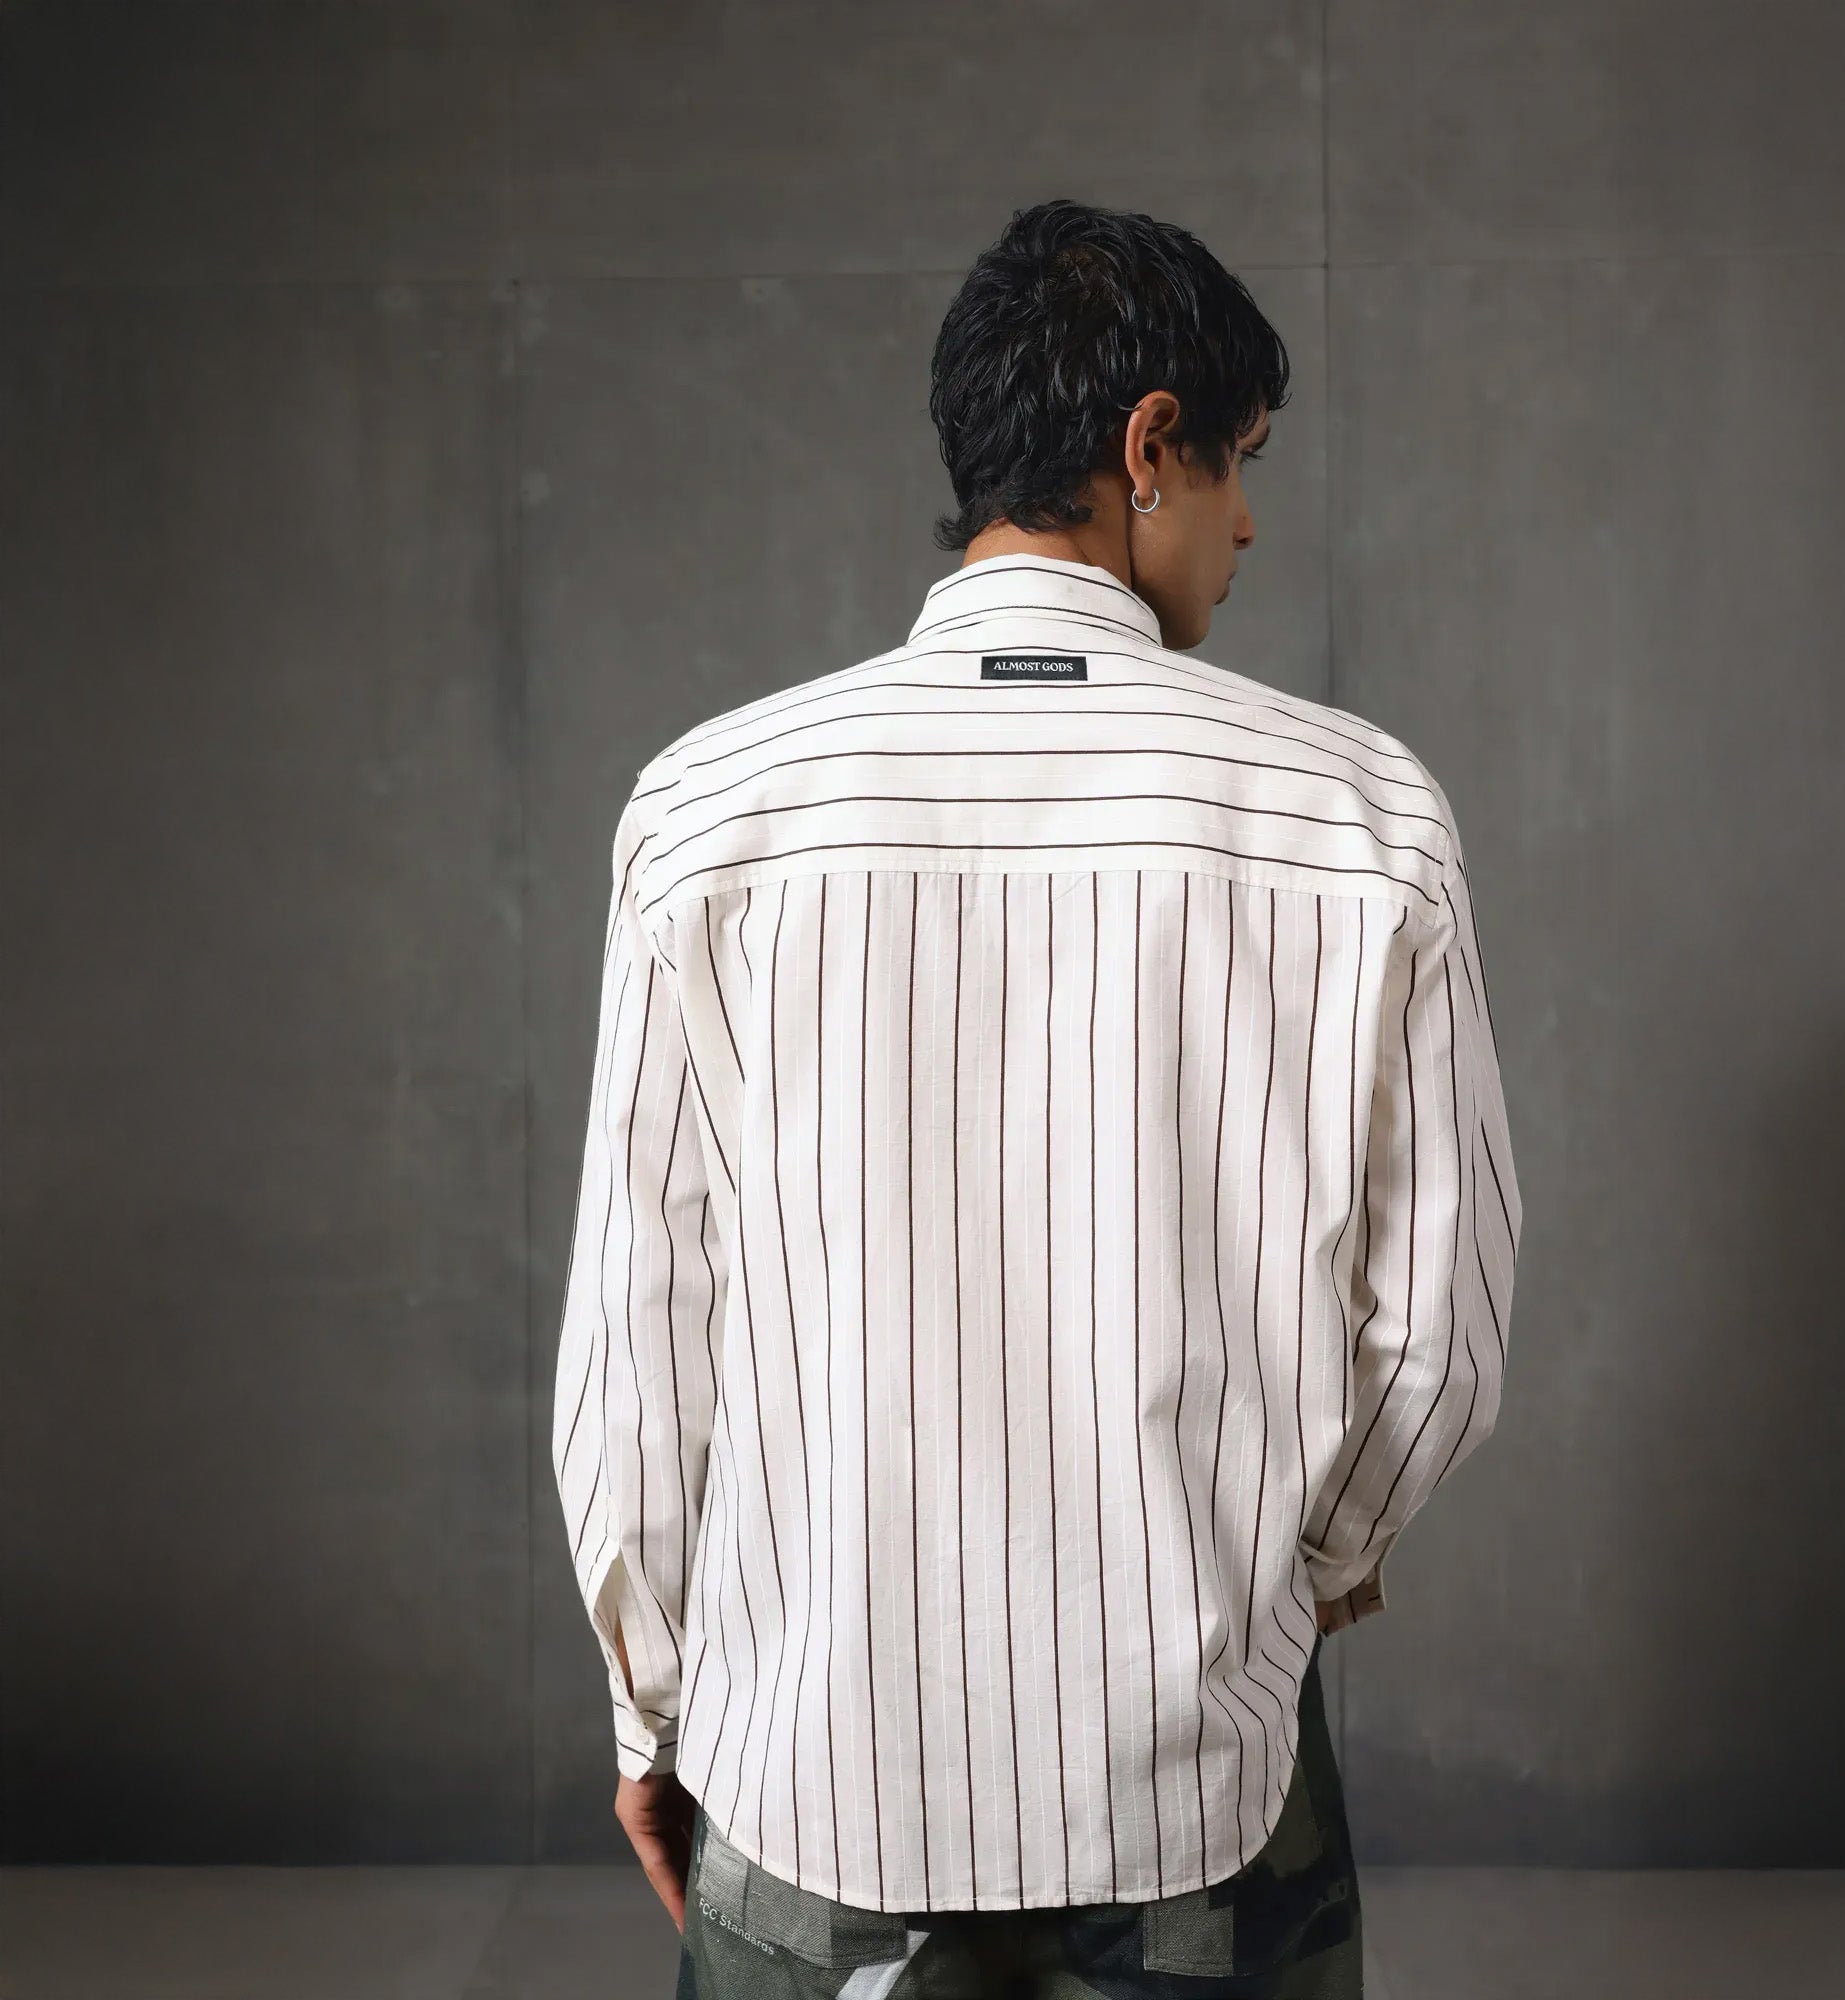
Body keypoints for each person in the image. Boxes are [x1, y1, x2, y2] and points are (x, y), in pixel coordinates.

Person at [551, 197, 1523, 1997]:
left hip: (809, 1777)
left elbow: (641, 1342)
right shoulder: (1357, 814)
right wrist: (1294, 1578)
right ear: (1150, 447)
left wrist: (652, 1711)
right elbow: (1438, 1341)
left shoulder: (708, 809)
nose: (1248, 521)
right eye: (1240, 462)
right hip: (1198, 1786)